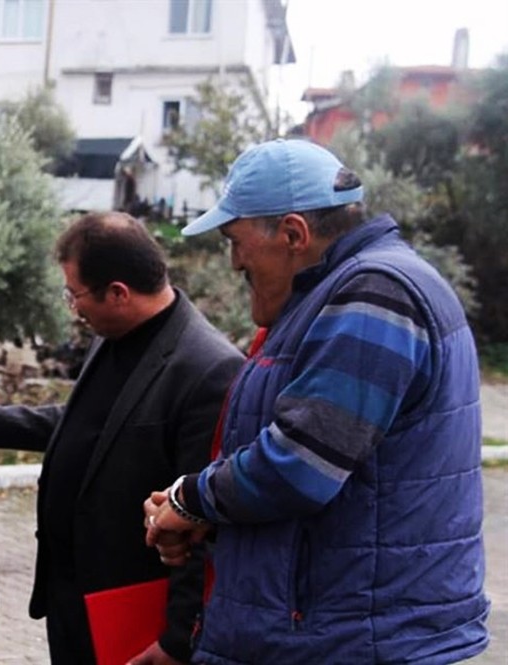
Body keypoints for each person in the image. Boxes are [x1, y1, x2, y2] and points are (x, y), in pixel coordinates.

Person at [144, 139, 490, 663]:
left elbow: (299, 465)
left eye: (234, 240)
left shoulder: (376, 293)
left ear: (293, 233)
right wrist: (209, 515)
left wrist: (188, 499)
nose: (234, 261)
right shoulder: (337, 295)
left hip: (352, 639)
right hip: (337, 630)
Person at [0, 212, 243, 664]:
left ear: (119, 293)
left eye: (75, 295)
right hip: (72, 601)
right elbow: (87, 426)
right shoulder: (113, 332)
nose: (74, 308)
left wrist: (177, 641)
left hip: (130, 617)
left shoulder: (208, 370)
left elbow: (200, 519)